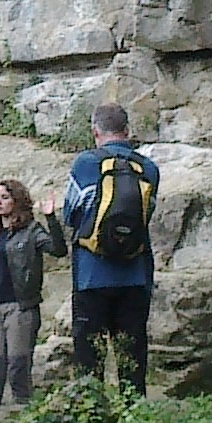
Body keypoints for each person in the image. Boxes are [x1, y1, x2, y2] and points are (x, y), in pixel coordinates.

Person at [60, 102, 160, 396]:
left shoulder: (85, 164)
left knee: (89, 360)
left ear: (95, 132)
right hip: (135, 275)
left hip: (91, 277)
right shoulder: (149, 169)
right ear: (127, 131)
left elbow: (70, 214)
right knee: (132, 359)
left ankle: (93, 422)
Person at [0, 178, 66, 407]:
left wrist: (50, 217)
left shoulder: (31, 231)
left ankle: (21, 407)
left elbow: (58, 250)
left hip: (21, 305)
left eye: (5, 197)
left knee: (18, 363)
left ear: (17, 201)